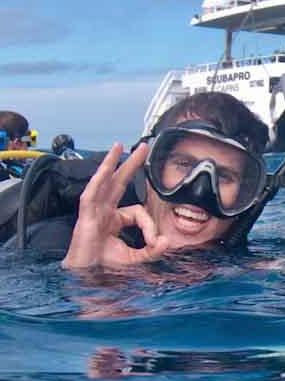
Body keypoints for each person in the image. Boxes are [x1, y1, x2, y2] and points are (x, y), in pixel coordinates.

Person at [60, 92, 273, 268]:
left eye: (225, 176)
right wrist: (87, 277)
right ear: (149, 169)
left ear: (245, 197)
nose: (199, 191)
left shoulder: (259, 273)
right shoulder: (57, 244)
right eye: (184, 164)